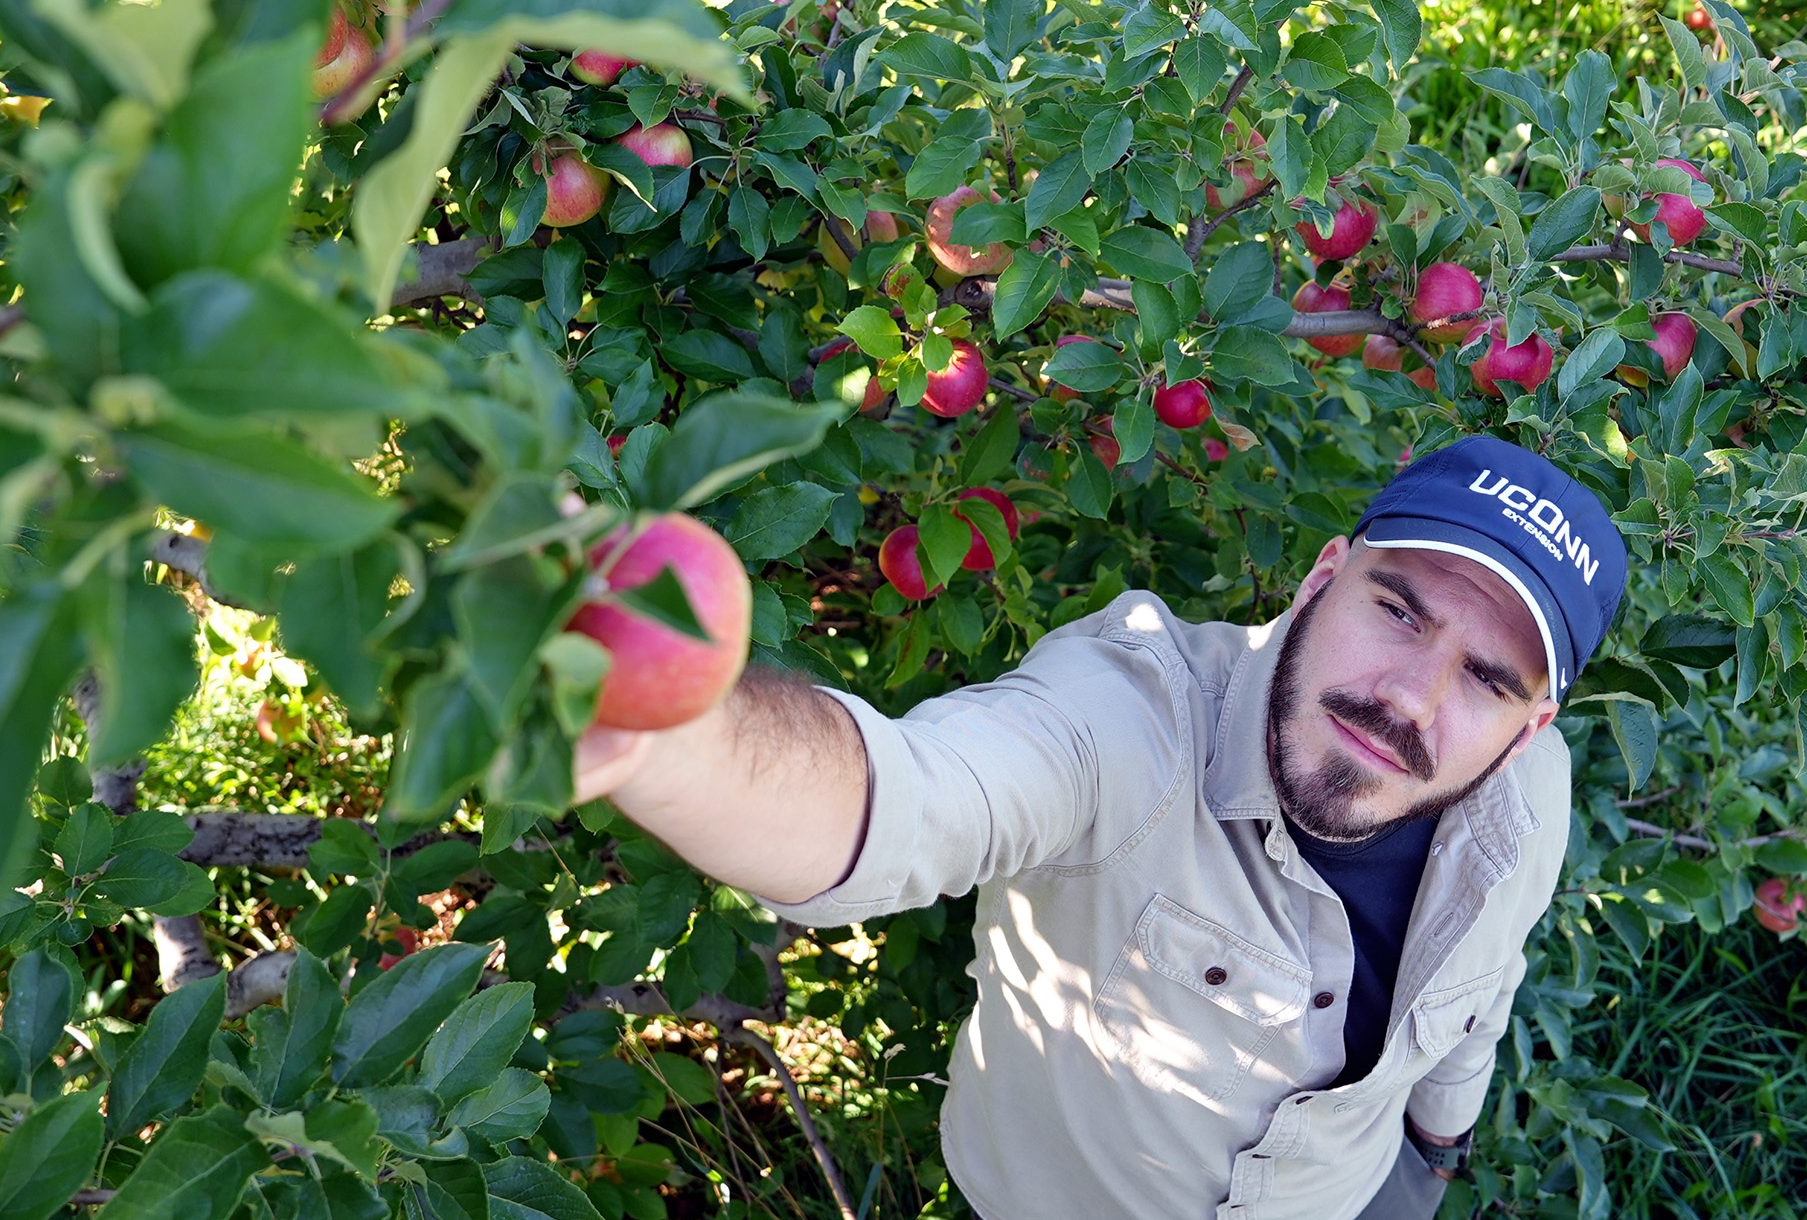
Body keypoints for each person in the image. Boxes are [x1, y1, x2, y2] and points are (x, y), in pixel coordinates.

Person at [572, 434, 1629, 1219]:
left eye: (1486, 678)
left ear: (1530, 725)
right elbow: (906, 795)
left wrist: (1434, 1151)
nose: (1409, 697)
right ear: (1321, 575)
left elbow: (1480, 989)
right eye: (1397, 610)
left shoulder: (1526, 795)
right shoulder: (1134, 717)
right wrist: (659, 719)